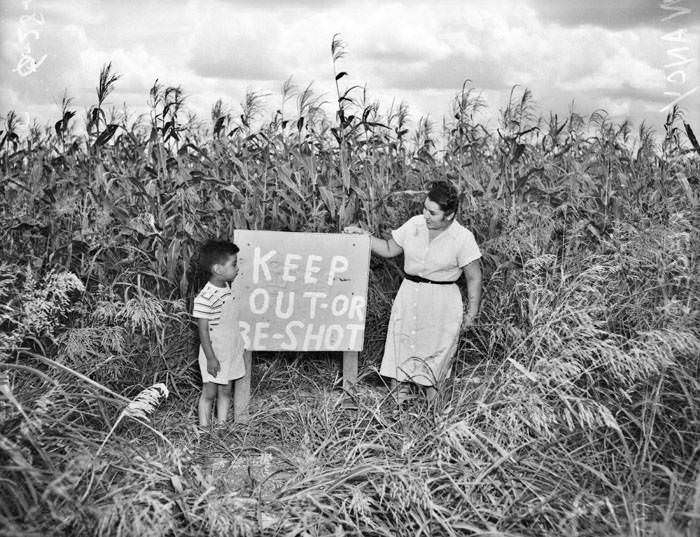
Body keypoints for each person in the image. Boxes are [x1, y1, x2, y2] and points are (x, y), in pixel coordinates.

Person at [344, 181, 482, 403]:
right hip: (409, 295)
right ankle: (397, 414)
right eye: (425, 208)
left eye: (433, 213)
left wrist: (471, 313)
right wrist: (364, 237)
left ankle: (434, 417)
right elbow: (389, 249)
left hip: (443, 303)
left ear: (449, 215)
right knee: (401, 351)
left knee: (437, 362)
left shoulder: (463, 238)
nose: (426, 215)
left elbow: (474, 277)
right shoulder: (415, 225)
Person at [193, 239, 246, 427]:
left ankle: (221, 427)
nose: (237, 268)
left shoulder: (226, 287)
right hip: (214, 353)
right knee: (210, 392)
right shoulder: (205, 297)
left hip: (229, 350)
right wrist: (211, 358)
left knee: (225, 390)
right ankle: (204, 429)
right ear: (218, 269)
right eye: (234, 264)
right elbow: (203, 330)